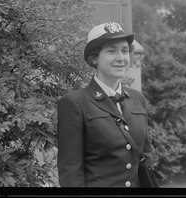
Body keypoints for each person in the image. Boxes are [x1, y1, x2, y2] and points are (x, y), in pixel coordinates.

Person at [57, 22, 154, 187]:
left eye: (124, 51)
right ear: (94, 58)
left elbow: (146, 155)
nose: (121, 58)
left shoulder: (138, 99)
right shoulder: (74, 103)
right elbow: (71, 170)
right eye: (111, 51)